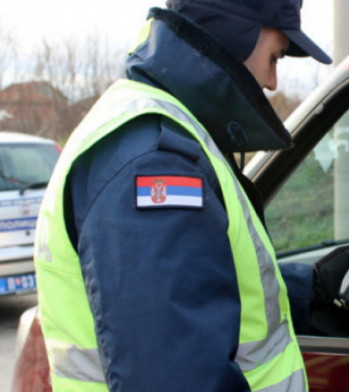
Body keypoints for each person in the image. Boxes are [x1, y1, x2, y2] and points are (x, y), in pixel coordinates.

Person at [33, 1, 331, 391]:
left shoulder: (166, 134)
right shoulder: (155, 162)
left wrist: (318, 288)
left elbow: (195, 285)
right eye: (275, 56)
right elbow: (174, 377)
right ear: (236, 32)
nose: (273, 81)